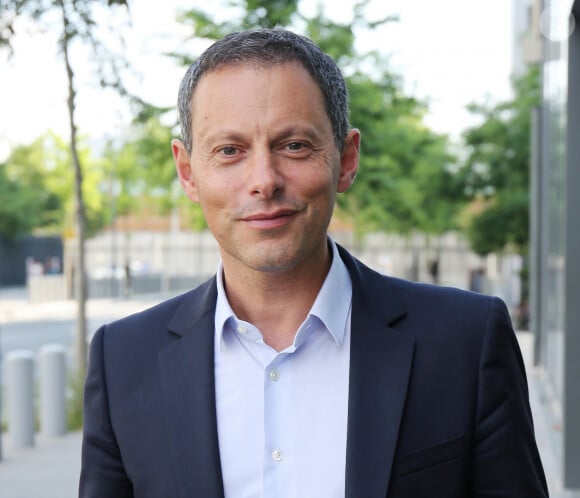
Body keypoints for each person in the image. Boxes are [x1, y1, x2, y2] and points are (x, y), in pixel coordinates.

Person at [79, 28, 548, 498]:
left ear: (345, 160)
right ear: (188, 172)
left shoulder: (465, 342)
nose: (264, 180)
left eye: (294, 145)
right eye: (230, 151)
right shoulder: (123, 362)